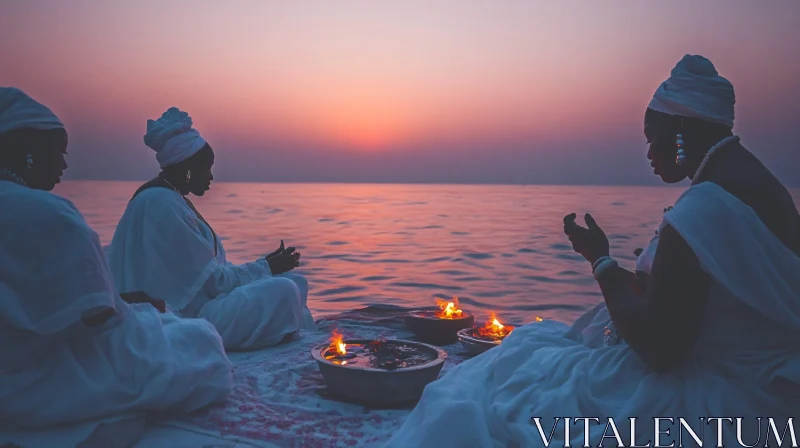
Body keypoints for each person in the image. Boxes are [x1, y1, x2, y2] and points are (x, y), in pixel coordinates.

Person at [384, 55, 800, 447]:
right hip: (771, 378)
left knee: (502, 378)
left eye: (652, 138)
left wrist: (601, 264)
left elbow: (661, 351)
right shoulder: (764, 189)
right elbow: (711, 301)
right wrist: (628, 265)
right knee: (530, 350)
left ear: (680, 130)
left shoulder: (702, 209)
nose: (649, 154)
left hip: (724, 390)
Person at [0, 88, 233, 441]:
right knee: (199, 339)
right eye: (58, 152)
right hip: (38, 377)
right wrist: (139, 308)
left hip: (18, 368)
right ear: (28, 154)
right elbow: (98, 319)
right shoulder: (48, 214)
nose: (64, 164)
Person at [107, 107, 316, 351]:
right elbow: (214, 284)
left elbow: (208, 275)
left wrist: (266, 266)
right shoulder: (162, 204)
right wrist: (266, 267)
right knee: (285, 289)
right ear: (187, 168)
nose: (211, 177)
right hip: (186, 320)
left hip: (202, 307)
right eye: (207, 167)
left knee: (294, 282)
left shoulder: (169, 199)